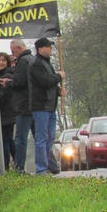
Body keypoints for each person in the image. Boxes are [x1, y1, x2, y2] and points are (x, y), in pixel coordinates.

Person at [28, 38, 66, 175]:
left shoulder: (47, 63)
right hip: (40, 106)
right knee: (41, 138)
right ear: (40, 49)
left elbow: (49, 84)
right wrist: (59, 76)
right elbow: (44, 81)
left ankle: (49, 166)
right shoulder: (36, 63)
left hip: (50, 106)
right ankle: (41, 168)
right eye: (48, 47)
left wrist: (57, 91)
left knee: (50, 138)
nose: (51, 49)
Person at [8, 38, 36, 173]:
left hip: (23, 106)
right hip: (35, 105)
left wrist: (8, 83)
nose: (12, 54)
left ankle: (19, 167)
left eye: (12, 51)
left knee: (20, 139)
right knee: (40, 138)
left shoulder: (22, 62)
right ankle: (50, 165)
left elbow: (19, 82)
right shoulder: (33, 59)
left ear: (19, 48)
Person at [0, 52, 16, 169]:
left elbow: (4, 95)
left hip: (6, 111)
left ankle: (6, 166)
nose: (1, 62)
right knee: (7, 138)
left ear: (7, 62)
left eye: (3, 60)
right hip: (4, 111)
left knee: (5, 139)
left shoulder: (8, 76)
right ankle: (15, 162)